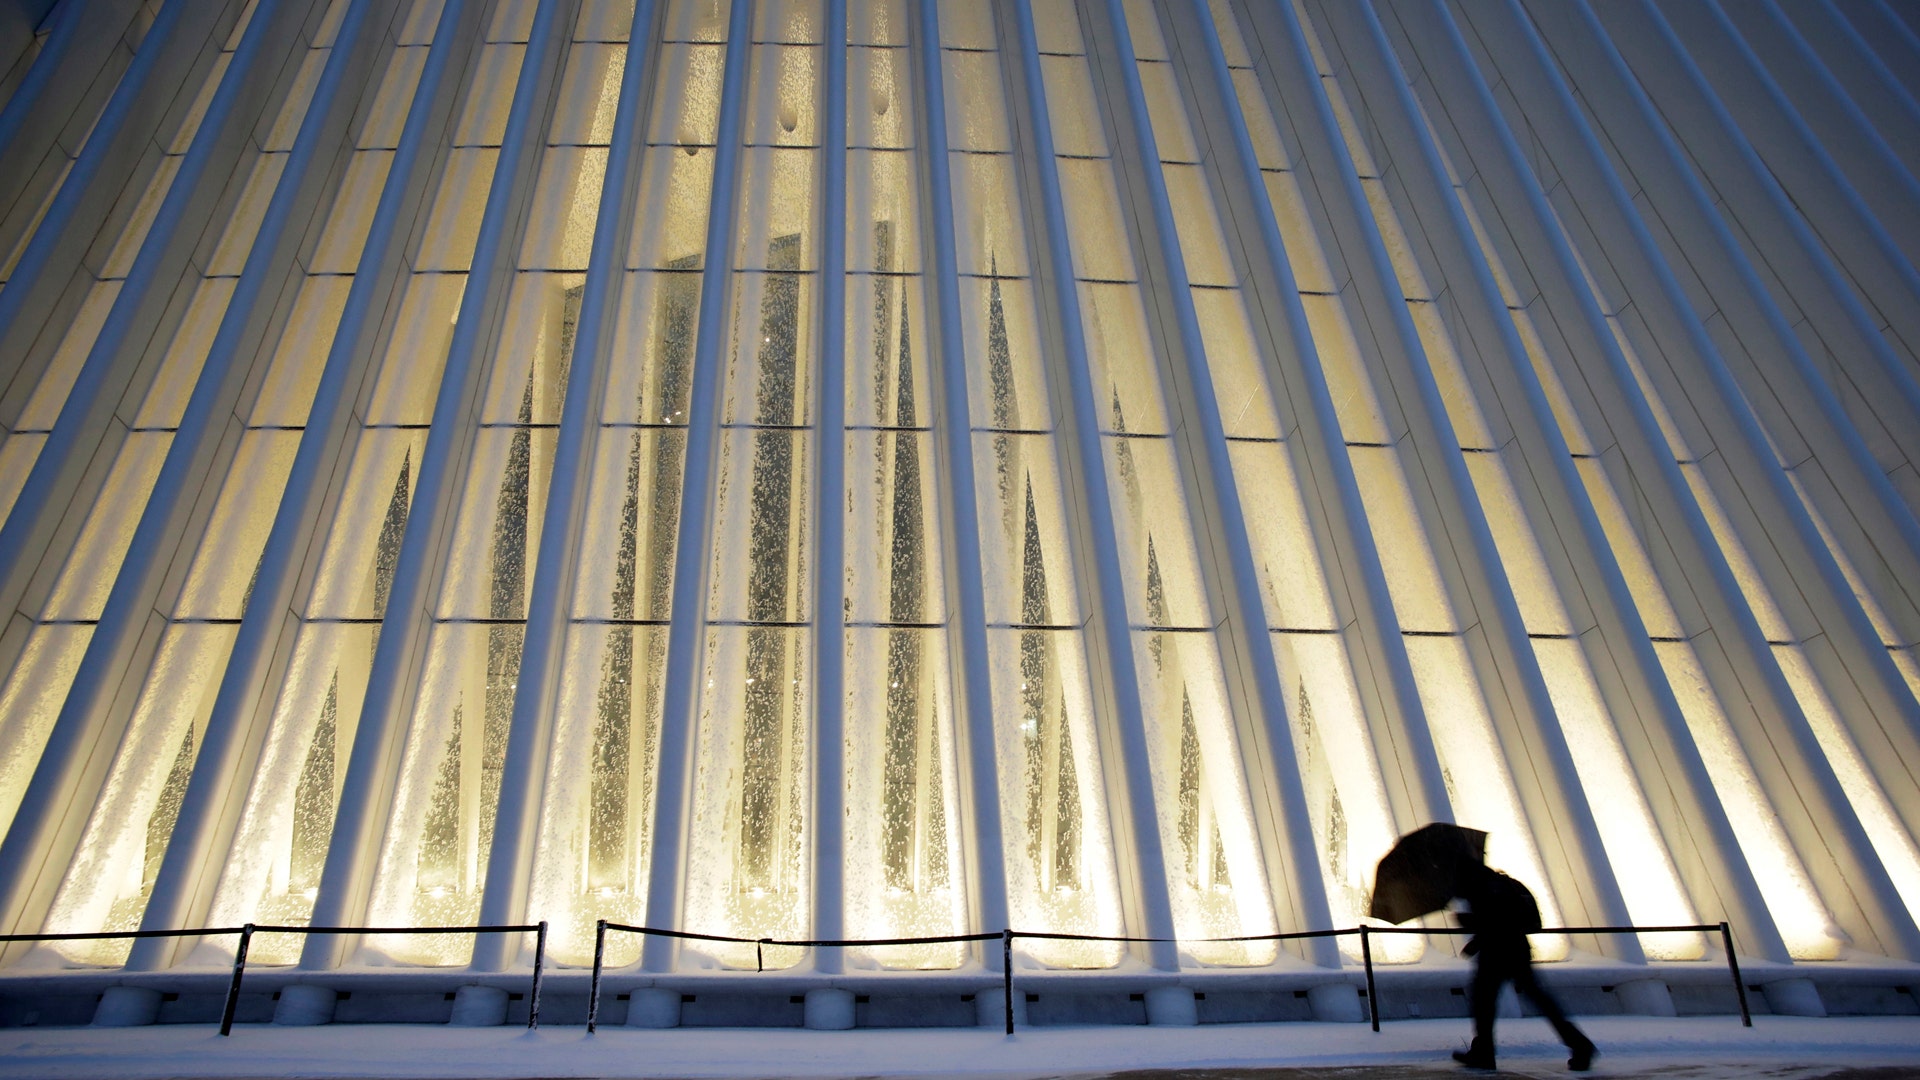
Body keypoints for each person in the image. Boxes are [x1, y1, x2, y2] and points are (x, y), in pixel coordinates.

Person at [1450, 864, 1596, 1072]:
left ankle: (1484, 1052)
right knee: (1533, 999)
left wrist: (1467, 922)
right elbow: (1500, 921)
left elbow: (1493, 922)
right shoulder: (1496, 884)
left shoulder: (1483, 888)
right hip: (1513, 949)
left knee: (1485, 1001)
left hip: (1498, 952)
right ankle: (1579, 1044)